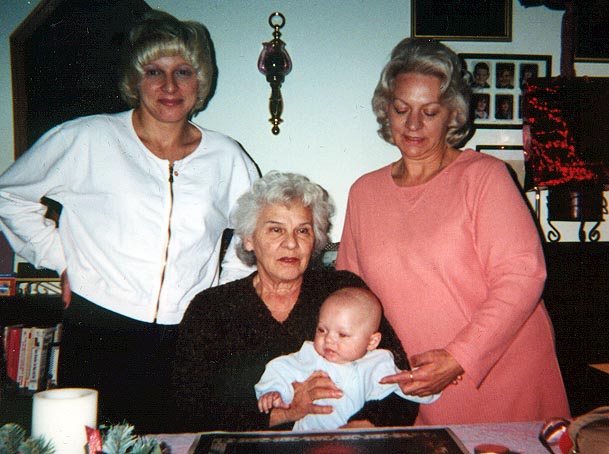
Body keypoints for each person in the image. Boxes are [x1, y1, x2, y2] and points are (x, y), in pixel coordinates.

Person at [0, 10, 259, 433]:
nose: (169, 86)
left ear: (201, 81)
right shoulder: (88, 138)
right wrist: (59, 259)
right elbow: (9, 195)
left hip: (187, 337)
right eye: (154, 71)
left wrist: (220, 295)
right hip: (99, 327)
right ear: (135, 80)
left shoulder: (227, 157)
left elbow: (254, 232)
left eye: (183, 72)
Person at [336, 37, 570, 425]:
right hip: (417, 384)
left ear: (452, 115)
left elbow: (523, 276)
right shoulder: (364, 192)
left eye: (429, 112)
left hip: (502, 376)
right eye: (401, 109)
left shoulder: (485, 177)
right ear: (385, 110)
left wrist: (459, 356)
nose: (413, 124)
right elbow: (350, 291)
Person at [171, 171, 419, 432]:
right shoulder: (211, 308)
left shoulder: (342, 291)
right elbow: (187, 408)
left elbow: (403, 382)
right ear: (249, 239)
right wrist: (284, 414)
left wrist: (361, 427)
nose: (291, 243)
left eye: (302, 231)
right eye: (276, 229)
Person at [255, 287, 439, 431]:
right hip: (307, 438)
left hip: (350, 440)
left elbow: (405, 388)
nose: (328, 339)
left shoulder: (377, 363)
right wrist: (273, 391)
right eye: (322, 330)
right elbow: (281, 369)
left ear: (372, 341)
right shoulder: (311, 356)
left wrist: (426, 384)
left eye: (342, 335)